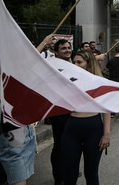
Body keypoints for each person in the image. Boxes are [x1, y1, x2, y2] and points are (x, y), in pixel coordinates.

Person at [64, 50, 111, 185]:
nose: (75, 65)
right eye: (74, 62)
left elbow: (106, 109)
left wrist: (106, 134)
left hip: (94, 128)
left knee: (91, 173)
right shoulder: (68, 81)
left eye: (79, 62)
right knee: (70, 174)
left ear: (89, 64)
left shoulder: (100, 82)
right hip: (71, 128)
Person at [0, 82, 36, 185]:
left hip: (27, 134)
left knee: (22, 177)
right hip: (11, 139)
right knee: (19, 181)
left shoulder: (20, 84)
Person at [50, 39, 73, 185]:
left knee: (71, 145)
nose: (67, 50)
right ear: (56, 51)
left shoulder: (71, 65)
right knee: (59, 145)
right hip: (58, 112)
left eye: (68, 47)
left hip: (71, 110)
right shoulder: (52, 66)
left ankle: (69, 172)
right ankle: (59, 178)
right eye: (63, 48)